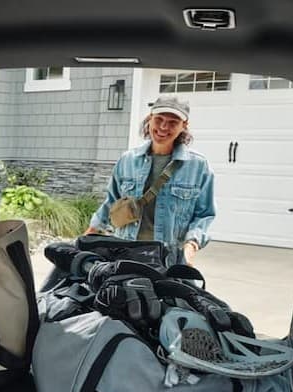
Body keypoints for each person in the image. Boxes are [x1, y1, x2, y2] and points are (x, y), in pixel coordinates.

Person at [86, 95, 216, 266]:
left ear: (184, 126)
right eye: (159, 119)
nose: (163, 127)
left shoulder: (198, 166)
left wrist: (192, 244)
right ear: (149, 119)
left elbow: (204, 214)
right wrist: (89, 233)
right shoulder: (128, 160)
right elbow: (111, 202)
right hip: (126, 252)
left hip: (169, 259)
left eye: (173, 122)